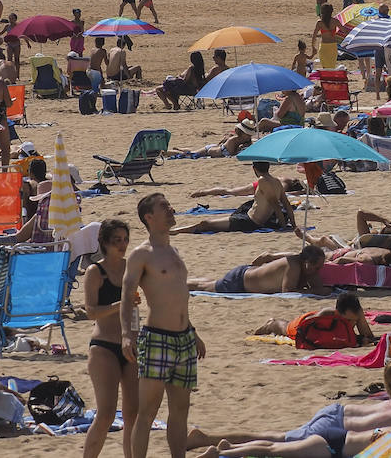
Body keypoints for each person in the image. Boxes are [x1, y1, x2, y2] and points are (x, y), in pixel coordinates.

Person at [185, 358, 391, 457]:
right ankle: (218, 446)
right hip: (338, 427)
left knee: (273, 439)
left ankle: (210, 440)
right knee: (275, 443)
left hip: (337, 414)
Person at [122, 193, 203, 458]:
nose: (171, 210)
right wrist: (127, 333)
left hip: (184, 339)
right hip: (157, 338)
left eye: (169, 205)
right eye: (164, 207)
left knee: (180, 411)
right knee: (147, 413)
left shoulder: (174, 251)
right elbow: (128, 296)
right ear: (149, 217)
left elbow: (178, 297)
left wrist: (193, 331)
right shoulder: (141, 254)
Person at [83, 219, 138, 458]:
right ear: (104, 242)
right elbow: (91, 312)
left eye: (125, 239)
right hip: (103, 346)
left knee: (133, 415)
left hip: (131, 345)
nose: (122, 245)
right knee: (105, 414)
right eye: (117, 240)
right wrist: (120, 303)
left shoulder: (132, 268)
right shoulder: (96, 271)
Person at [173, 162, 294, 234]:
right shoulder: (277, 181)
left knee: (206, 224)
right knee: (209, 223)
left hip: (250, 222)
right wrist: (292, 225)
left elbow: (275, 205)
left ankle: (175, 231)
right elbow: (287, 204)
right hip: (249, 218)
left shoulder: (262, 181)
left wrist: (283, 227)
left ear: (254, 169)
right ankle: (176, 231)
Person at [188, 245, 327, 295]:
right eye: (317, 267)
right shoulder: (294, 266)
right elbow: (288, 292)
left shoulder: (308, 268)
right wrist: (313, 290)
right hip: (240, 282)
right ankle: (179, 283)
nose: (319, 270)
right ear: (307, 262)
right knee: (204, 287)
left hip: (248, 274)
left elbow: (320, 289)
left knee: (212, 283)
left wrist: (317, 287)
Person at [250, 292, 376, 345]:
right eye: (348, 320)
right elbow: (306, 330)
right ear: (338, 312)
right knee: (282, 327)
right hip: (304, 324)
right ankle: (269, 324)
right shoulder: (328, 314)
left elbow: (368, 337)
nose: (352, 323)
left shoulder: (356, 313)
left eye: (354, 320)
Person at [312, 4, 340, 70]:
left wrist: (313, 47)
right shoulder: (335, 21)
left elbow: (314, 36)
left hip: (323, 47)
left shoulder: (319, 22)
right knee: (331, 67)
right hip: (333, 47)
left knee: (325, 68)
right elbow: (345, 31)